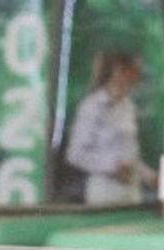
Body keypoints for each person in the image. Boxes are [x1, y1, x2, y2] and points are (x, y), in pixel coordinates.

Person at [64, 49, 157, 206]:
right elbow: (75, 154)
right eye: (133, 71)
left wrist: (149, 176)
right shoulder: (92, 106)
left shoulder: (128, 106)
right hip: (104, 192)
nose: (137, 78)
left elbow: (130, 155)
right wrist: (112, 166)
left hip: (132, 191)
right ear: (118, 72)